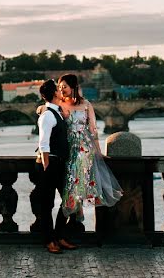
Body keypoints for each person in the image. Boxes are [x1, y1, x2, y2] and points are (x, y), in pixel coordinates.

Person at [56, 73, 123, 220]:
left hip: (85, 146)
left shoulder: (86, 104)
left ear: (73, 87)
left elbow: (93, 129)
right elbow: (47, 112)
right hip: (68, 145)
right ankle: (75, 206)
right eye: (60, 87)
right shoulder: (58, 104)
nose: (62, 90)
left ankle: (78, 205)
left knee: (81, 173)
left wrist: (98, 151)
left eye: (64, 87)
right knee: (71, 177)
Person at [34, 79, 77, 254]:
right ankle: (49, 240)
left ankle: (59, 236)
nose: (61, 91)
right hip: (50, 163)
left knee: (69, 201)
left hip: (59, 163)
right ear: (54, 94)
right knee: (47, 204)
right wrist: (46, 166)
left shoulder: (56, 112)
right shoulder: (48, 115)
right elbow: (43, 143)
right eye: (58, 90)